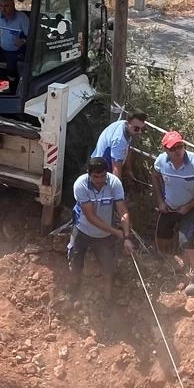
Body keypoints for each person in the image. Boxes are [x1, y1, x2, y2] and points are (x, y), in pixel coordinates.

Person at [153, 130, 194, 284]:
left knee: (186, 240)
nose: (177, 151)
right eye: (172, 148)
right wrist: (160, 201)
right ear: (165, 149)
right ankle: (172, 265)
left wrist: (188, 206)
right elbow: (154, 175)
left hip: (190, 208)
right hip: (169, 207)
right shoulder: (161, 161)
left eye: (180, 146)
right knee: (161, 236)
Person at [68, 157, 134, 300]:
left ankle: (108, 299)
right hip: (82, 231)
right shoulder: (81, 185)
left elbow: (122, 211)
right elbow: (90, 216)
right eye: (96, 176)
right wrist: (116, 232)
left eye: (103, 176)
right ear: (89, 174)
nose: (100, 180)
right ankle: (74, 289)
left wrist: (127, 237)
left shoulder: (114, 183)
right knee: (75, 262)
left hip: (104, 237)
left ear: (107, 172)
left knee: (108, 268)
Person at [92, 110, 148, 177]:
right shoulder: (119, 141)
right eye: (136, 129)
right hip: (101, 169)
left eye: (143, 129)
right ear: (127, 124)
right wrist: (119, 187)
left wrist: (128, 170)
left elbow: (127, 150)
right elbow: (116, 171)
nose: (140, 132)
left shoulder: (125, 126)